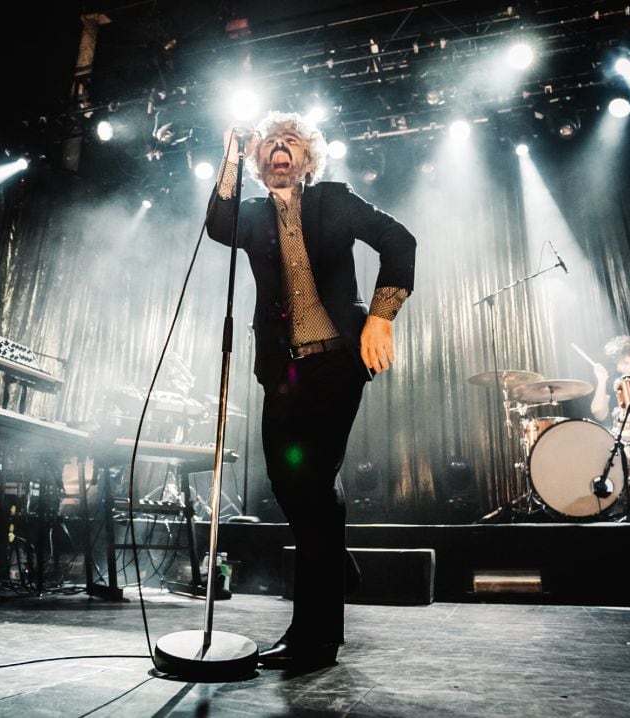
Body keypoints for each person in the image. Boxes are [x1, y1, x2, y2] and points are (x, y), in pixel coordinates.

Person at [206, 112, 416, 670]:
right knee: (288, 480)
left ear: (307, 158)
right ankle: (332, 556)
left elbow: (399, 239)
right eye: (271, 143)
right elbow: (217, 226)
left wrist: (381, 316)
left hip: (334, 366)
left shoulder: (332, 199)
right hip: (282, 370)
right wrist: (229, 155)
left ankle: (316, 636)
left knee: (316, 482)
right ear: (259, 159)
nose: (280, 148)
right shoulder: (250, 216)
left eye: (291, 142)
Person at [589, 335, 630, 423]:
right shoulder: (612, 382)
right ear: (617, 364)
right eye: (626, 363)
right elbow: (599, 415)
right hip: (622, 432)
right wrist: (601, 380)